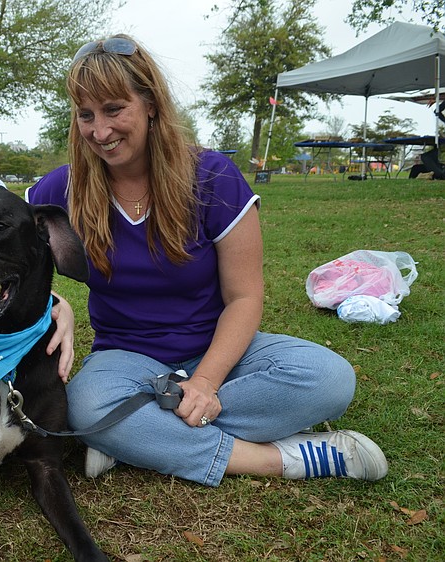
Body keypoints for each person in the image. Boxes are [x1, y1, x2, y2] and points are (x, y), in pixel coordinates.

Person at [26, 34, 388, 486]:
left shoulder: (212, 176)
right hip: (124, 358)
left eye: (114, 109)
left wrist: (206, 382)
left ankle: (137, 439)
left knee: (330, 378)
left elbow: (244, 297)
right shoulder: (60, 190)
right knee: (85, 404)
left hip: (220, 351)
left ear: (151, 104)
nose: (99, 131)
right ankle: (285, 459)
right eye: (86, 115)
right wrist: (58, 303)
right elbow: (14, 263)